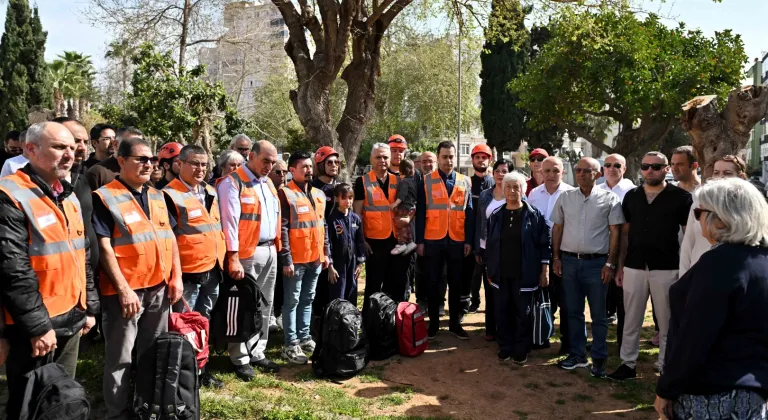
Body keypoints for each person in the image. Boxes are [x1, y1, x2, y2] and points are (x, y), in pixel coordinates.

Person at [0, 122, 99, 418]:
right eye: (59, 147)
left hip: (71, 315)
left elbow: (82, 255)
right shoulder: (10, 194)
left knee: (60, 398)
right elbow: (12, 270)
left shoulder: (66, 194)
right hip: (35, 327)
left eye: (71, 147)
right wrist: (38, 327)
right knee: (30, 402)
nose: (69, 154)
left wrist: (89, 306)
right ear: (30, 149)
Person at [655, 177, 768, 420]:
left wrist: (667, 388)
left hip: (710, 396)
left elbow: (695, 335)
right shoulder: (761, 260)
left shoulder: (718, 263)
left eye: (699, 212)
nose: (696, 219)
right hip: (752, 394)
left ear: (720, 218)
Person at [92, 137, 183, 419]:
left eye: (151, 160)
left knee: (151, 353)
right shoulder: (105, 197)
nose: (148, 164)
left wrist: (176, 277)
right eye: (141, 159)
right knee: (120, 358)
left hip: (158, 289)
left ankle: (146, 404)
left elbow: (171, 238)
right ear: (121, 161)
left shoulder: (157, 195)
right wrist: (123, 289)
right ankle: (117, 411)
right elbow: (104, 247)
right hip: (125, 294)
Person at [608, 152, 692, 381]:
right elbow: (624, 235)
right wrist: (620, 267)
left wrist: (686, 270)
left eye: (656, 166)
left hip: (667, 267)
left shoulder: (681, 198)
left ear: (666, 169)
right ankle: (627, 364)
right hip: (634, 266)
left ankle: (665, 366)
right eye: (645, 166)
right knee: (631, 319)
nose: (650, 170)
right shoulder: (632, 196)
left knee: (666, 322)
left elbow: (688, 235)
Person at [551, 157, 623, 378]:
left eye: (587, 171)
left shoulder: (610, 199)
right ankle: (578, 354)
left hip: (597, 265)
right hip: (569, 263)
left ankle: (599, 358)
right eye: (578, 170)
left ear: (598, 173)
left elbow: (616, 233)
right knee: (572, 311)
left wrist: (610, 263)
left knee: (599, 315)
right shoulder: (566, 197)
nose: (581, 174)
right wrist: (556, 257)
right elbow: (557, 228)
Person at [162, 144, 226, 388]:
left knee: (203, 322)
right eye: (194, 163)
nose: (200, 168)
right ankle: (183, 375)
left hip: (212, 269)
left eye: (203, 164)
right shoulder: (169, 194)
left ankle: (201, 369)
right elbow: (169, 239)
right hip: (188, 274)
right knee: (184, 325)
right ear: (180, 164)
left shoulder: (210, 191)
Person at [217, 140, 281, 380]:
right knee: (242, 307)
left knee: (265, 304)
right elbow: (229, 223)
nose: (269, 166)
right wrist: (232, 258)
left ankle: (258, 351)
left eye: (273, 162)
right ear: (251, 156)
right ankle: (240, 357)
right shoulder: (232, 183)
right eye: (265, 160)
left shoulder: (267, 185)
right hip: (245, 254)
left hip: (269, 250)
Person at [483, 171, 550, 364]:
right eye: (509, 187)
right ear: (503, 190)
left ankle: (521, 348)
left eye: (516, 187)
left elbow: (543, 244)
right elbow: (490, 245)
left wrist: (544, 269)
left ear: (523, 190)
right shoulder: (495, 215)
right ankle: (505, 346)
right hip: (501, 273)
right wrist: (490, 268)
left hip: (525, 273)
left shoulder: (534, 215)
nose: (512, 191)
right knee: (502, 311)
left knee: (523, 313)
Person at [416, 140, 474, 340]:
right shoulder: (425, 181)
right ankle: (433, 324)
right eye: (444, 157)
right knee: (433, 283)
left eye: (451, 156)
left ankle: (455, 324)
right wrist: (420, 242)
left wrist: (468, 241)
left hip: (457, 240)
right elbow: (421, 212)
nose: (448, 160)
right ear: (438, 158)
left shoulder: (465, 181)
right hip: (433, 239)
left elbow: (469, 213)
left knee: (456, 283)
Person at [279, 151, 330, 364]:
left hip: (315, 258)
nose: (309, 170)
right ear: (292, 171)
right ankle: (290, 343)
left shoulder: (318, 194)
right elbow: (282, 229)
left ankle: (304, 336)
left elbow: (322, 225)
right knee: (292, 300)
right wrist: (287, 259)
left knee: (308, 299)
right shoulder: (285, 194)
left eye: (310, 167)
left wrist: (326, 252)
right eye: (304, 167)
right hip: (296, 259)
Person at [354, 144, 413, 310]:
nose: (382, 160)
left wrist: (408, 218)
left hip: (397, 240)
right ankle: (370, 325)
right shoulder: (362, 182)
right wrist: (362, 240)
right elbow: (357, 215)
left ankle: (393, 322)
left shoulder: (399, 180)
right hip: (374, 242)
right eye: (378, 157)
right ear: (371, 159)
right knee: (373, 284)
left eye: (385, 157)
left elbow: (410, 206)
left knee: (396, 284)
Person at [527, 156, 576, 353]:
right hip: (539, 251)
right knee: (543, 297)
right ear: (540, 172)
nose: (551, 175)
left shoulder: (571, 194)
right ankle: (542, 335)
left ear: (562, 172)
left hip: (564, 252)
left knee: (566, 299)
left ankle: (567, 342)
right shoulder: (533, 195)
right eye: (546, 171)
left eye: (555, 170)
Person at [680, 155, 748, 277]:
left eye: (727, 173)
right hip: (698, 272)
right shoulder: (698, 203)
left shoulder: (749, 208)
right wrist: (683, 276)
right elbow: (688, 244)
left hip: (733, 275)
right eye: (716, 173)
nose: (721, 177)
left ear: (741, 177)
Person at [597, 153, 635, 344]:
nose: (612, 168)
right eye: (608, 165)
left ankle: (623, 344)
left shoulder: (633, 191)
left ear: (624, 168)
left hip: (626, 252)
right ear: (603, 169)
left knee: (623, 302)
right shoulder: (596, 190)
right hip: (601, 251)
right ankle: (599, 341)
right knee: (601, 300)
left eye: (616, 165)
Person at [476, 159, 514, 340]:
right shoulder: (485, 195)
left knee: (506, 290)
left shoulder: (516, 194)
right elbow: (479, 222)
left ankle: (506, 328)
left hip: (509, 250)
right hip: (488, 250)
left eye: (504, 171)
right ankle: (491, 329)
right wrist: (478, 248)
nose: (500, 174)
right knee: (490, 289)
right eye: (497, 171)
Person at [311, 146, 340, 316]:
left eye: (336, 162)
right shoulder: (313, 188)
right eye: (329, 162)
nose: (334, 165)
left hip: (339, 242)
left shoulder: (340, 187)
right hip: (320, 244)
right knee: (320, 288)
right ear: (320, 164)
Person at [466, 144, 495, 314]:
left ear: (489, 160)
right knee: (474, 273)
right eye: (478, 157)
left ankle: (491, 306)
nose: (481, 160)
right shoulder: (468, 182)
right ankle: (474, 301)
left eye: (484, 157)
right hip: (472, 233)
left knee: (490, 274)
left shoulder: (495, 183)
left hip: (491, 235)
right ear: (473, 160)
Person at [327, 183, 366, 302]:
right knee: (338, 291)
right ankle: (336, 318)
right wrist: (330, 266)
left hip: (352, 261)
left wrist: (360, 263)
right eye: (343, 198)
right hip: (338, 263)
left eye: (350, 198)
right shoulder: (332, 219)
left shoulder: (355, 219)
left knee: (352, 290)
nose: (347, 201)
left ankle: (351, 318)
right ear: (336, 199)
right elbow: (328, 243)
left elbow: (360, 241)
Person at [268, 161, 288, 329]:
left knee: (282, 281)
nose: (282, 175)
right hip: (268, 244)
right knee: (271, 283)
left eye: (284, 172)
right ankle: (270, 315)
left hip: (284, 244)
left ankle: (279, 312)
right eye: (277, 172)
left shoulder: (288, 193)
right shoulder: (266, 191)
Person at [390, 158, 418, 255]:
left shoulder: (404, 182)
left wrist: (395, 204)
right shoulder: (414, 181)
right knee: (408, 227)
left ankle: (402, 243)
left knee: (400, 225)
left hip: (404, 207)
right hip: (412, 207)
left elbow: (402, 196)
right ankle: (410, 242)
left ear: (401, 170)